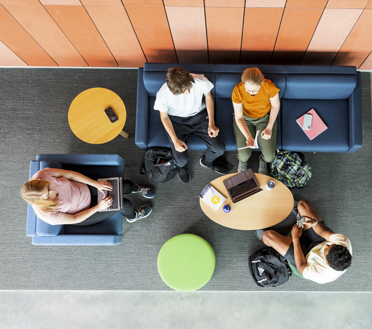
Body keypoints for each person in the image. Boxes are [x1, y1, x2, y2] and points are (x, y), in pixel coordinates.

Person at [154, 67, 228, 184]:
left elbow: (208, 97)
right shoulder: (163, 95)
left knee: (219, 149)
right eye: (185, 91)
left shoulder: (199, 81)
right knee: (181, 159)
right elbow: (164, 117)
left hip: (199, 116)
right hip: (177, 121)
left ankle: (207, 162)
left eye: (189, 87)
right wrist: (175, 140)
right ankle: (181, 167)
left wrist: (211, 123)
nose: (189, 92)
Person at [256, 200, 353, 284]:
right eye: (332, 244)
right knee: (303, 205)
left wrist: (295, 238)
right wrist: (314, 223)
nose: (327, 245)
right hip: (319, 241)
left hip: (305, 258)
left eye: (326, 250)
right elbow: (323, 232)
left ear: (326, 262)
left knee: (267, 236)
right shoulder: (343, 242)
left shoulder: (320, 273)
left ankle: (294, 232)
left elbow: (301, 266)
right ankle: (300, 220)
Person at [21, 168, 154, 226]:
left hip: (85, 189)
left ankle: (137, 188)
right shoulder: (46, 214)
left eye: (48, 187)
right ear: (41, 201)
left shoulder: (42, 175)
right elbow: (74, 218)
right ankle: (133, 216)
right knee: (126, 205)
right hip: (85, 212)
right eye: (47, 195)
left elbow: (71, 175)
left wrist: (95, 184)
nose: (52, 191)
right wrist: (98, 207)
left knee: (127, 185)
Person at [232, 67, 280, 174]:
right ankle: (243, 162)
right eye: (248, 89)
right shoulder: (237, 90)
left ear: (261, 83)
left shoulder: (269, 86)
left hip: (264, 119)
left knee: (269, 157)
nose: (251, 93)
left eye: (255, 90)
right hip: (245, 119)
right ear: (243, 84)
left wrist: (269, 127)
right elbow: (239, 117)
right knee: (243, 156)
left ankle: (262, 159)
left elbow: (275, 106)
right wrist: (248, 137)